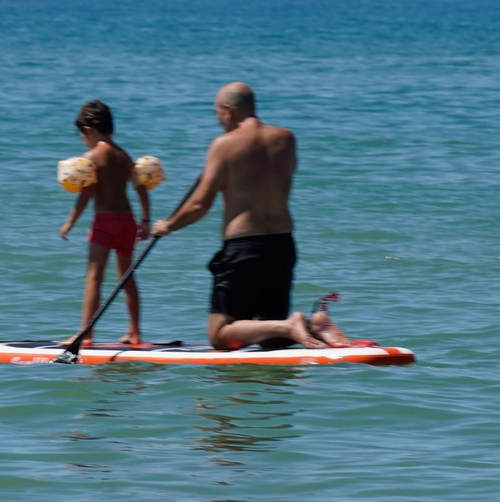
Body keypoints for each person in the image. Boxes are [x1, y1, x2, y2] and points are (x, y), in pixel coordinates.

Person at [151, 82, 355, 350]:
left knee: (220, 335)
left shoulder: (224, 145)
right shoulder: (286, 139)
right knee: (272, 340)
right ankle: (308, 325)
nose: (219, 122)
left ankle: (289, 324)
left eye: (217, 115)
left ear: (228, 110)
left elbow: (200, 204)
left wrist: (168, 225)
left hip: (243, 248)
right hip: (282, 244)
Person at [59, 100, 151, 346]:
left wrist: (69, 223)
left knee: (93, 278)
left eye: (82, 135)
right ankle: (135, 332)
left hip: (105, 223)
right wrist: (145, 221)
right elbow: (141, 189)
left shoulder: (92, 158)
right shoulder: (124, 156)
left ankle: (85, 335)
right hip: (127, 222)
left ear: (89, 130)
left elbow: (86, 194)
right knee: (126, 277)